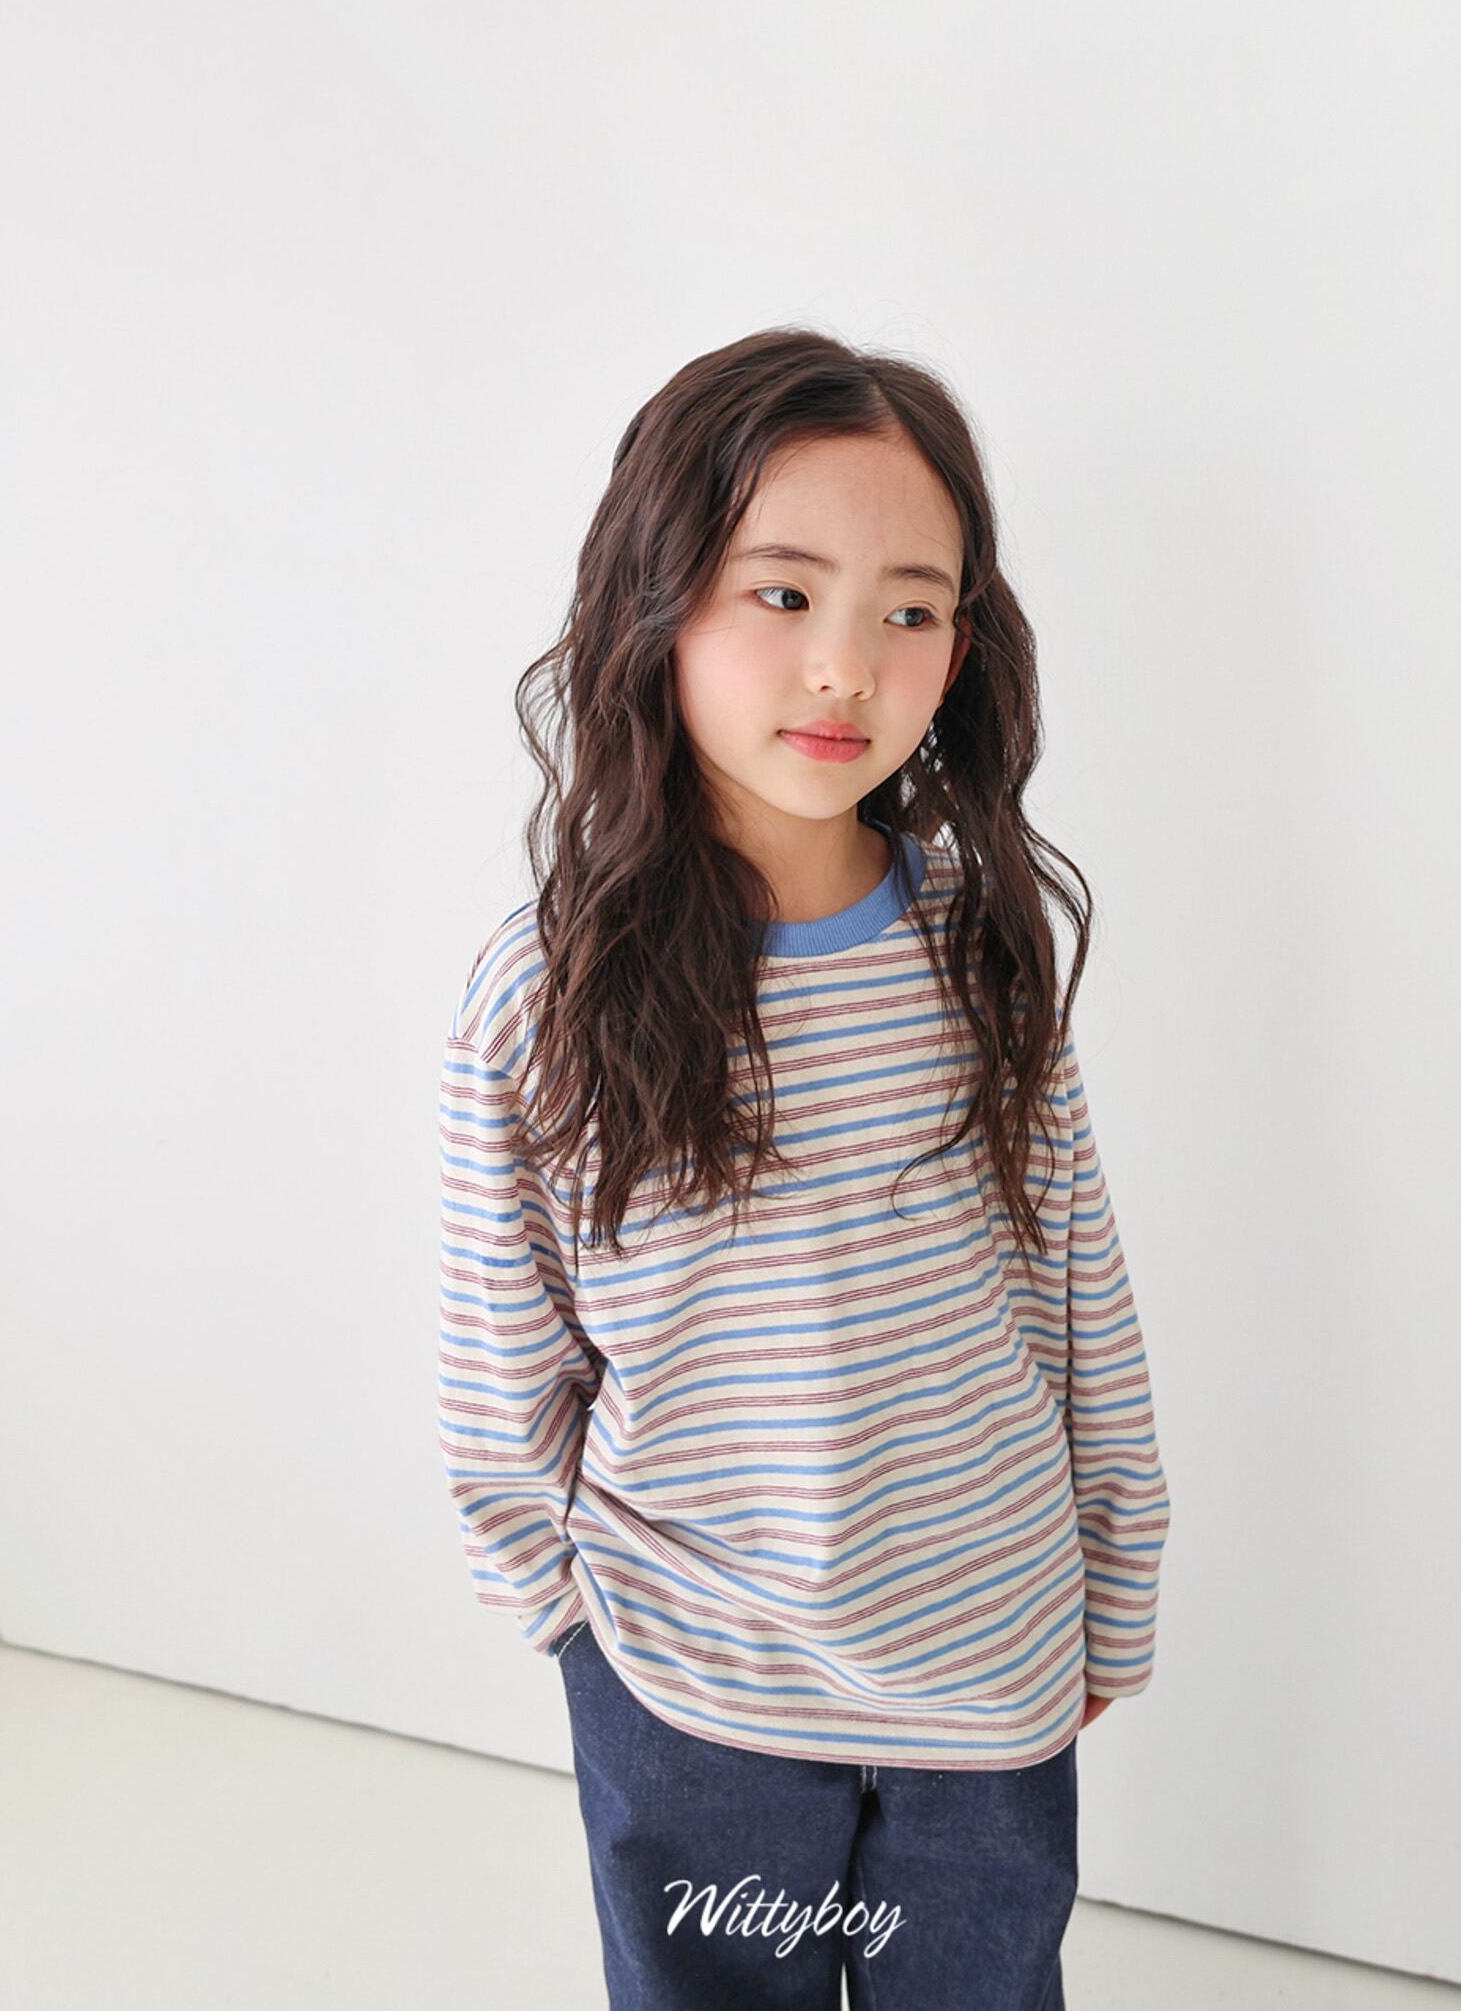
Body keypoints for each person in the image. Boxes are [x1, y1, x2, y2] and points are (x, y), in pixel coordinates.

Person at [436, 326, 1171, 2010]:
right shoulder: (546, 997)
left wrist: (1114, 1578)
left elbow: (1074, 1287)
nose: (846, 666)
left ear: (963, 646)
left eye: (910, 611)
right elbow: (505, 1358)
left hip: (985, 1671)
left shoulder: (979, 953)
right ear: (655, 600)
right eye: (783, 595)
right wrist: (566, 1622)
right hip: (692, 1693)